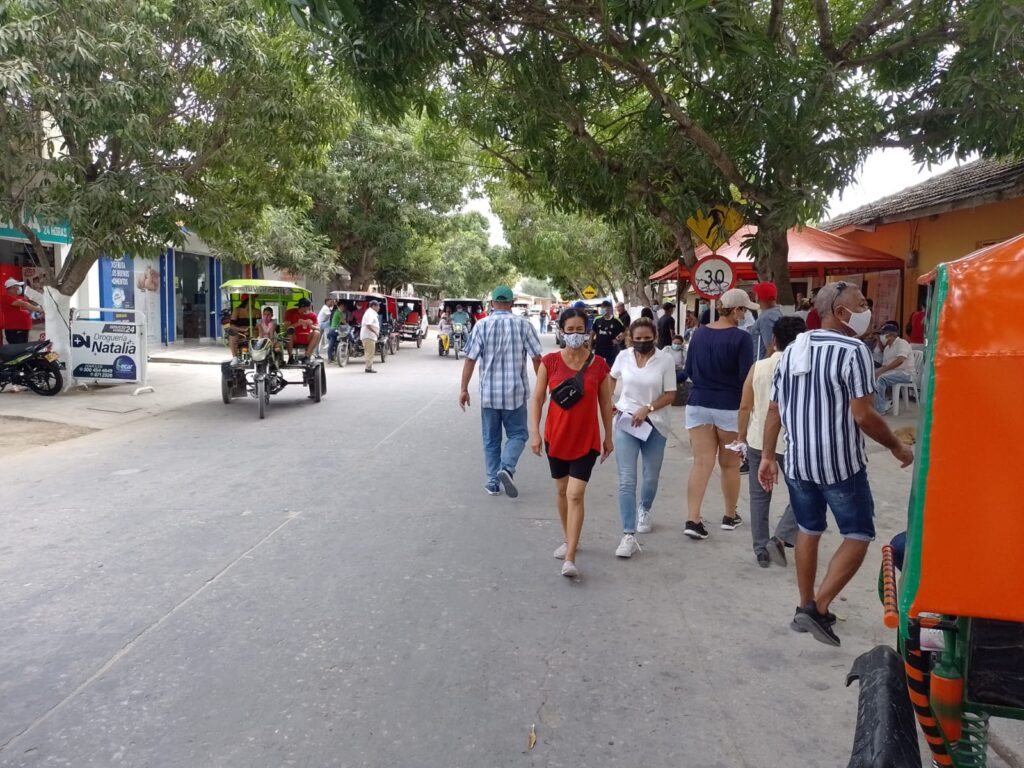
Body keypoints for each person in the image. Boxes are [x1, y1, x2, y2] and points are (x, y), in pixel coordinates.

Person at [758, 281, 914, 646]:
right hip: (840, 466)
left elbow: (774, 410)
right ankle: (818, 607)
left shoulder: (793, 350)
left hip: (798, 463)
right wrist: (896, 446)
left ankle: (805, 604)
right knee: (858, 534)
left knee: (808, 530)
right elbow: (864, 415)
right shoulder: (854, 350)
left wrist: (766, 456)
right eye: (860, 304)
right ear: (840, 312)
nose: (866, 310)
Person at [529, 307, 613, 577]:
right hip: (556, 437)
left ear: (587, 331)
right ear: (561, 331)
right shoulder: (550, 362)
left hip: (586, 439)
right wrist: (535, 433)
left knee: (576, 494)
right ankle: (569, 538)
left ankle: (570, 557)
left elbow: (606, 403)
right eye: (570, 330)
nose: (575, 335)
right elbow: (538, 399)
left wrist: (609, 437)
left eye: (580, 330)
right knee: (562, 491)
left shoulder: (599, 365)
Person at [681, 288, 757, 540]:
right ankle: (729, 515)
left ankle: (693, 519)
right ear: (736, 310)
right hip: (729, 406)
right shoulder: (742, 338)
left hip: (698, 403)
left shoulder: (699, 333)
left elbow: (689, 369)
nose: (745, 315)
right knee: (730, 464)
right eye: (744, 310)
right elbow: (746, 377)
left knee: (701, 463)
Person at [461, 285, 543, 497]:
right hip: (515, 394)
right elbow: (537, 358)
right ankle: (506, 467)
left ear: (492, 303)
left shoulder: (481, 325)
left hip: (489, 394)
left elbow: (470, 359)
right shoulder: (524, 325)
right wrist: (544, 386)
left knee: (491, 439)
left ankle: (492, 483)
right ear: (512, 303)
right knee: (518, 434)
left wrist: (464, 389)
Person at [737, 316, 804, 568]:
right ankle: (781, 536)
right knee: (806, 493)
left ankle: (761, 550)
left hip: (758, 439)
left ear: (774, 339)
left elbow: (745, 406)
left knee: (759, 496)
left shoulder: (759, 367)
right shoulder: (803, 367)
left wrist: (741, 437)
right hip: (793, 442)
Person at [610, 317, 677, 557]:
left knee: (650, 477)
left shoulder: (665, 360)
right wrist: (610, 402)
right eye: (637, 338)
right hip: (627, 422)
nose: (642, 342)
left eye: (647, 338)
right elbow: (612, 377)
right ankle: (628, 534)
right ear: (631, 338)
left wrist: (648, 408)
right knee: (627, 479)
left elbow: (671, 394)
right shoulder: (623, 356)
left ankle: (644, 508)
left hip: (655, 424)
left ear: (655, 337)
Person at [873, 322, 915, 413]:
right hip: (892, 373)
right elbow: (884, 365)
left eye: (883, 334)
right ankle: (882, 403)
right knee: (872, 376)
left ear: (891, 335)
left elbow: (900, 360)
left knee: (881, 379)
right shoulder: (887, 348)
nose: (881, 337)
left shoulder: (902, 343)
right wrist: (876, 372)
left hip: (906, 374)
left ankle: (880, 410)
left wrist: (882, 371)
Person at [2, 278, 41, 344]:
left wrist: (35, 312)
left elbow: (28, 308)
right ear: (13, 287)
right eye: (17, 286)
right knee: (17, 348)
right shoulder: (6, 297)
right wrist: (40, 309)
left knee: (23, 347)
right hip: (14, 329)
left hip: (23, 329)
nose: (19, 288)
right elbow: (24, 304)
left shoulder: (21, 298)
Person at [750, 282, 783, 359]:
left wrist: (761, 365)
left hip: (761, 362)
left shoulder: (767, 318)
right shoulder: (775, 313)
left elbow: (771, 349)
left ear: (758, 297)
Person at [284, 298, 321, 363]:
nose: (307, 310)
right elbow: (287, 327)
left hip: (307, 337)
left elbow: (318, 328)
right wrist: (297, 323)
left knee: (317, 333)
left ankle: (307, 356)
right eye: (304, 308)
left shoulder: (312, 315)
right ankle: (290, 357)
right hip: (295, 337)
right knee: (289, 332)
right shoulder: (291, 312)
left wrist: (311, 326)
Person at [226, 294, 259, 363]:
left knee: (256, 335)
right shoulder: (237, 310)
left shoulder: (257, 311)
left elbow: (259, 324)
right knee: (232, 336)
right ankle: (235, 357)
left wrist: (252, 328)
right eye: (252, 299)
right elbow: (232, 325)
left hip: (252, 331)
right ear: (246, 300)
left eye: (254, 299)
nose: (254, 301)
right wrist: (243, 329)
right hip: (239, 332)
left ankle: (256, 355)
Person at [591, 300, 624, 367]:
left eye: (604, 308)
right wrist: (589, 347)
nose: (602, 309)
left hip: (611, 350)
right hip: (599, 349)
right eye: (602, 308)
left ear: (609, 309)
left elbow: (626, 331)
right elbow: (592, 333)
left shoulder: (616, 320)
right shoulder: (597, 319)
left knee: (610, 368)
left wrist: (619, 339)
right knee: (597, 367)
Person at [360, 298, 381, 373]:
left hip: (369, 336)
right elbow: (368, 324)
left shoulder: (371, 313)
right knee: (370, 353)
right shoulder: (370, 313)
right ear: (373, 306)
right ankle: (368, 368)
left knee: (369, 352)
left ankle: (368, 367)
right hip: (369, 336)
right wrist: (375, 332)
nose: (379, 307)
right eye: (378, 306)